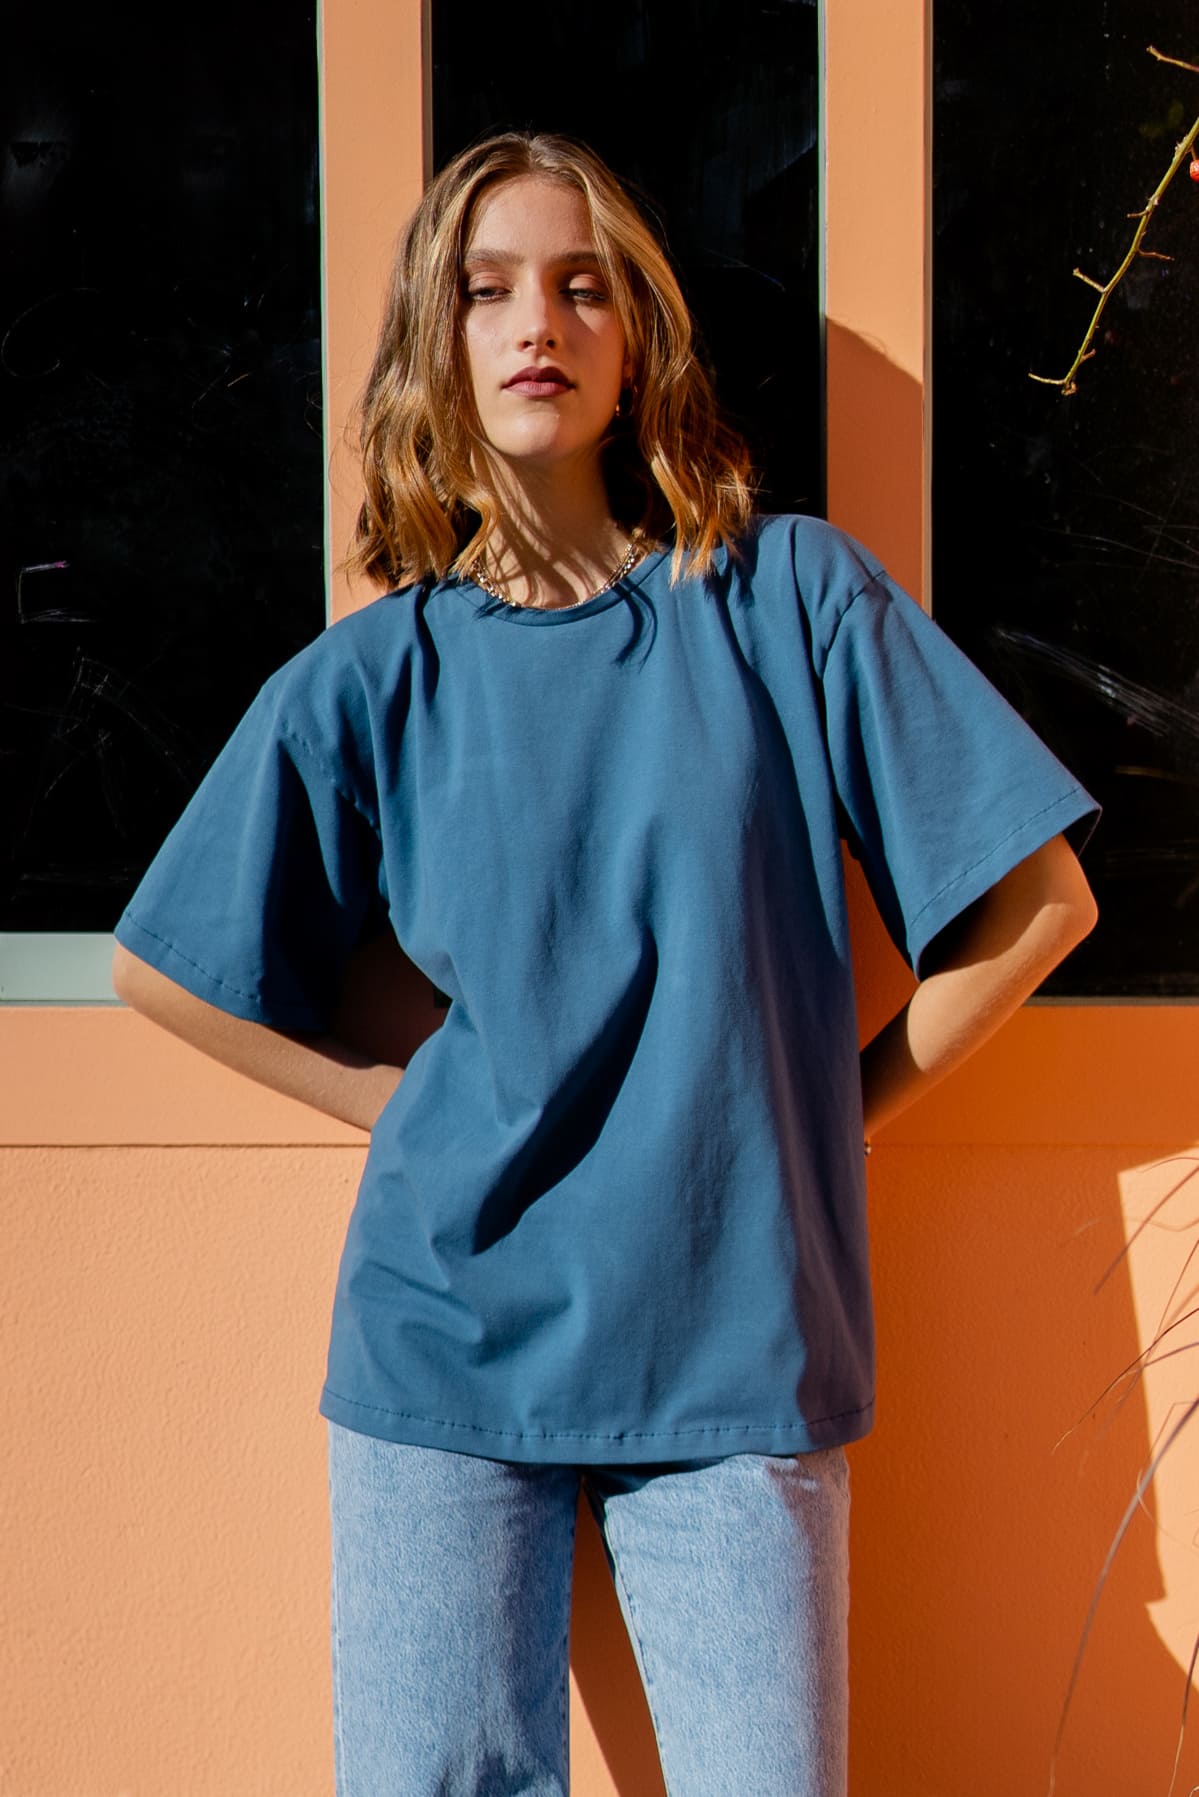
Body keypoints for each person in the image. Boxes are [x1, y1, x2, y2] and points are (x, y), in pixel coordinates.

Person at [111, 131, 1099, 1797]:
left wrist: (828, 1116)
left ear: (636, 339)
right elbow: (167, 969)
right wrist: (395, 1109)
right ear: (437, 343)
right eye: (487, 290)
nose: (536, 324)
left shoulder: (788, 598)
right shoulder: (379, 677)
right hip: (445, 1346)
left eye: (581, 287)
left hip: (736, 1344)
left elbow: (1039, 903)